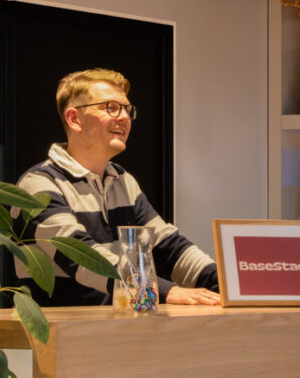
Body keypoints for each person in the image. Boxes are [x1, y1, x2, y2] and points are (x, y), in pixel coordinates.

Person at [15, 68, 220, 308]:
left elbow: (167, 245)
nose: (124, 117)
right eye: (111, 107)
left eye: (127, 109)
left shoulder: (123, 180)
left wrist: (227, 283)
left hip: (119, 328)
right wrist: (167, 291)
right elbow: (80, 254)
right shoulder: (38, 183)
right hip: (63, 335)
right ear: (74, 119)